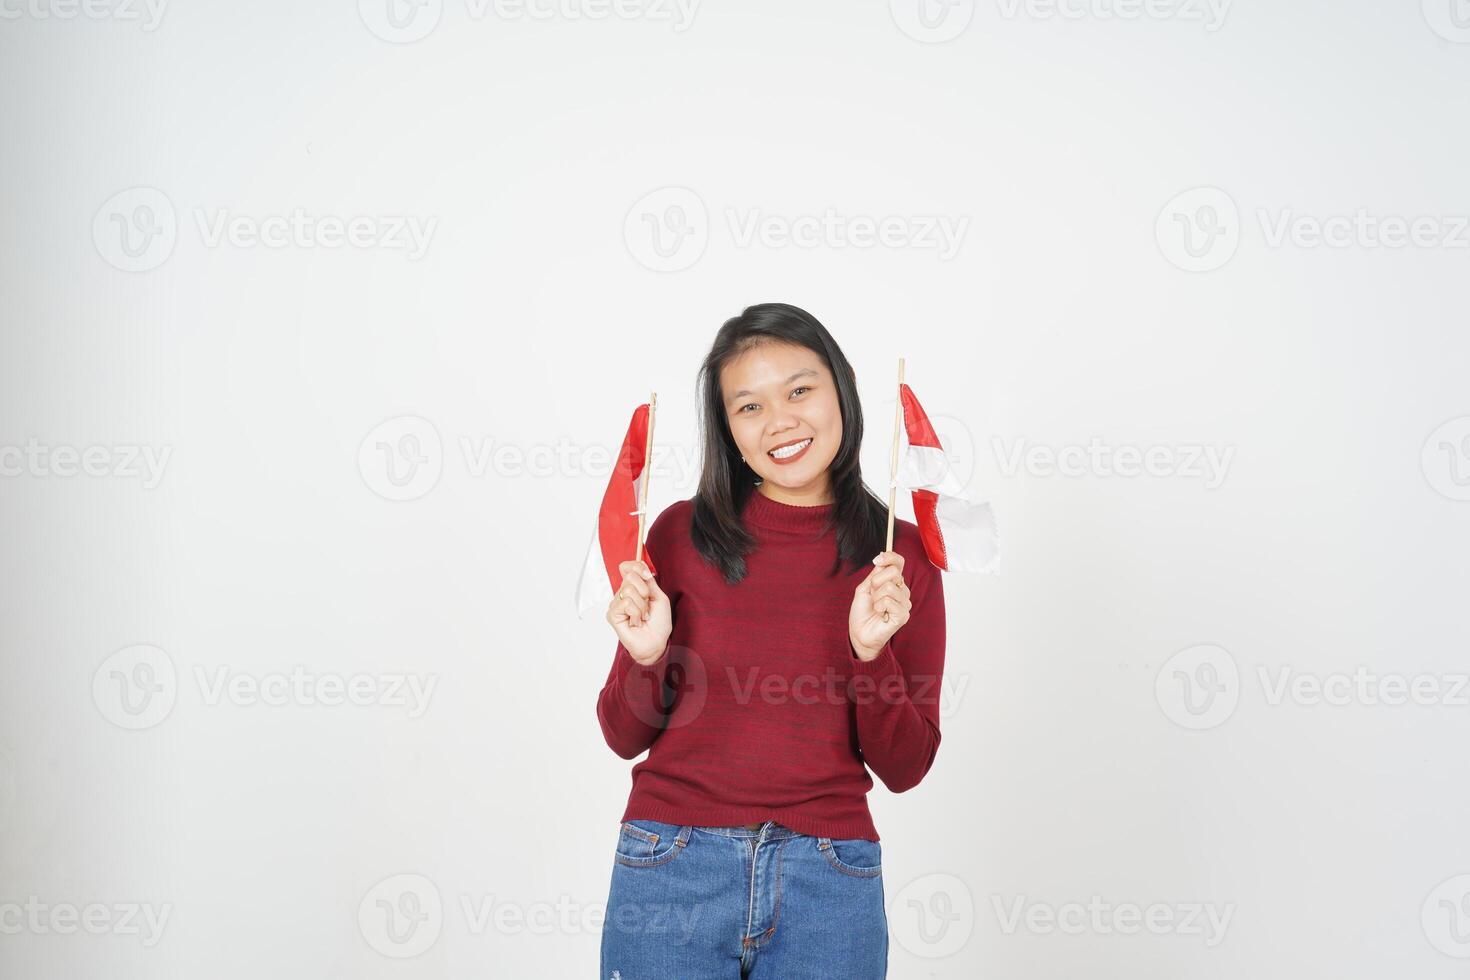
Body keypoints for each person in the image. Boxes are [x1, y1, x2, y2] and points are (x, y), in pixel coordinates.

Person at [596, 302, 947, 979]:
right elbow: (621, 735)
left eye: (799, 390)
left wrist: (869, 655)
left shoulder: (896, 558)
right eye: (748, 407)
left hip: (830, 880)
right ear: (727, 428)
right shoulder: (677, 533)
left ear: (841, 386)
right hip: (671, 868)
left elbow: (906, 768)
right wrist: (645, 658)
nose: (780, 422)